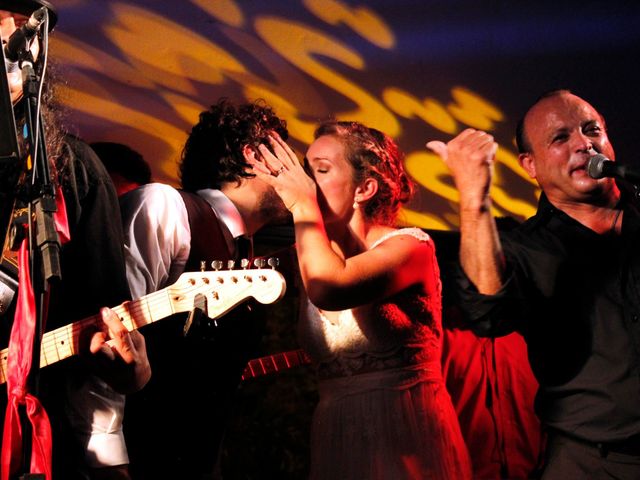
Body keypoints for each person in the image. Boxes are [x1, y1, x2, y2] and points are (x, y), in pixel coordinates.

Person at [427, 89, 640, 478]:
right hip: (593, 463)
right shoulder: (524, 247)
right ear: (529, 164)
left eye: (593, 130)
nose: (583, 143)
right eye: (560, 138)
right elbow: (488, 314)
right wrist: (474, 197)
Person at [254, 121, 472, 479]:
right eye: (306, 172)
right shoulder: (307, 253)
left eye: (321, 171)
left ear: (365, 188)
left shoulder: (412, 247)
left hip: (405, 435)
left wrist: (302, 205)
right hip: (337, 435)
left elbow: (330, 286)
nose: (307, 183)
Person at [0, 2, 150, 479]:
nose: (13, 33)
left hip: (38, 445)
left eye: (24, 24)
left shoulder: (75, 171)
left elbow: (105, 317)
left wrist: (132, 371)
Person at [121, 98, 292, 479]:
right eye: (288, 159)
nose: (298, 174)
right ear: (255, 156)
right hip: (140, 458)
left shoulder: (245, 251)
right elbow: (114, 334)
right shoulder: (165, 207)